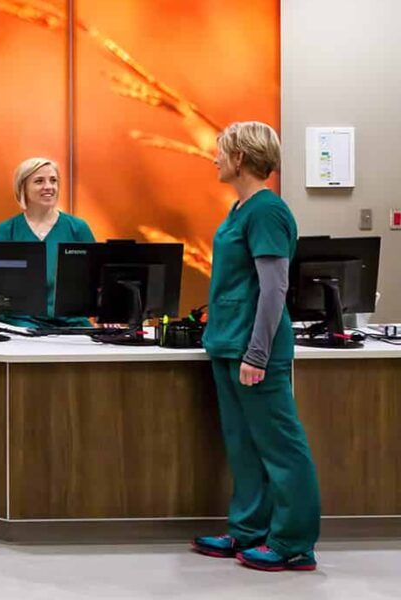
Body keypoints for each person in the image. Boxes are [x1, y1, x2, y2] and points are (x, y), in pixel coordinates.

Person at [191, 121, 320, 571]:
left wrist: (258, 353)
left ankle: (294, 542)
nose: (215, 159)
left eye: (221, 152)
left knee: (281, 446)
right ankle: (249, 530)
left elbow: (273, 288)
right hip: (228, 343)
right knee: (243, 444)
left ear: (240, 158)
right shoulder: (240, 209)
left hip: (253, 348)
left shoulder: (267, 211)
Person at [0, 157, 96, 329]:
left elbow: (97, 280)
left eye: (53, 180)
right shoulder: (6, 230)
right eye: (39, 181)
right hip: (20, 325)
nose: (49, 187)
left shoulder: (78, 228)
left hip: (72, 325)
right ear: (22, 187)